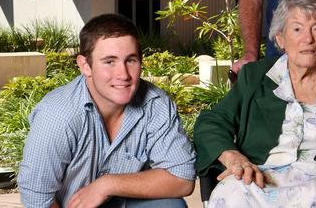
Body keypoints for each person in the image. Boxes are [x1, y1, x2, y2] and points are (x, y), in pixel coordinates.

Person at [194, 0, 316, 208]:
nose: (308, 38)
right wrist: (233, 157)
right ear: (280, 39)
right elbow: (211, 122)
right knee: (231, 192)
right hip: (259, 173)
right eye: (297, 29)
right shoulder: (254, 78)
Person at [18, 14, 196, 208]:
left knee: (170, 206)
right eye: (109, 62)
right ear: (85, 65)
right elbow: (37, 199)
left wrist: (107, 184)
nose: (123, 75)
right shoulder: (57, 115)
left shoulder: (156, 104)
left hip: (127, 203)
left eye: (131, 60)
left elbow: (182, 178)